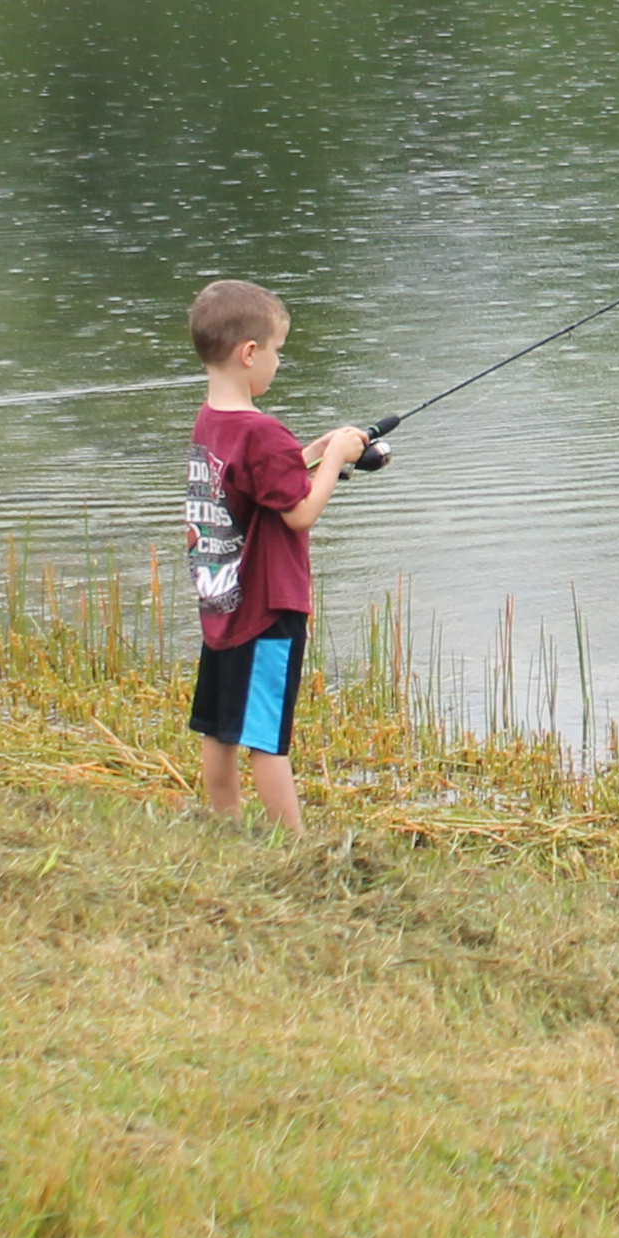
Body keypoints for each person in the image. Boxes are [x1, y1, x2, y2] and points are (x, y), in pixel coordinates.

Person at [184, 277, 371, 834]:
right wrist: (336, 458)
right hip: (268, 610)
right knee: (267, 737)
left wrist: (310, 450)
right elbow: (298, 512)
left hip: (223, 605)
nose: (277, 363)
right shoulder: (262, 433)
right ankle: (294, 849)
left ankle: (225, 826)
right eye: (277, 352)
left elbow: (263, 479)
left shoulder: (210, 421)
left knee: (220, 727)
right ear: (249, 354)